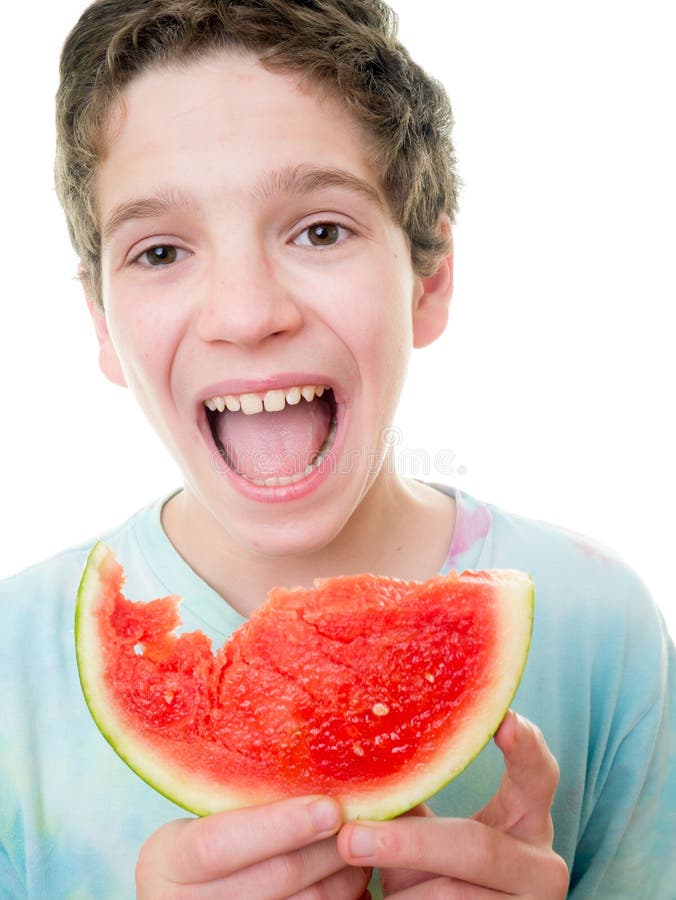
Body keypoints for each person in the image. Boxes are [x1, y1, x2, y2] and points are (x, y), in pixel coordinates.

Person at [0, 1, 673, 897]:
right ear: (100, 319)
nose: (246, 314)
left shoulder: (601, 627)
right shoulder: (15, 670)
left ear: (428, 276)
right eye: (160, 251)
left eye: (320, 231)